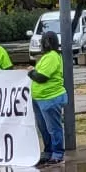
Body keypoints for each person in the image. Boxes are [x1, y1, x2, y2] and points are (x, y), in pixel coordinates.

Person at [28, 31, 67, 164]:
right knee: (43, 128)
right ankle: (48, 151)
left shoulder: (52, 56)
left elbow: (41, 77)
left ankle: (57, 153)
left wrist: (31, 72)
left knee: (53, 127)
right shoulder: (46, 57)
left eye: (47, 41)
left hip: (50, 97)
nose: (45, 43)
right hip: (40, 98)